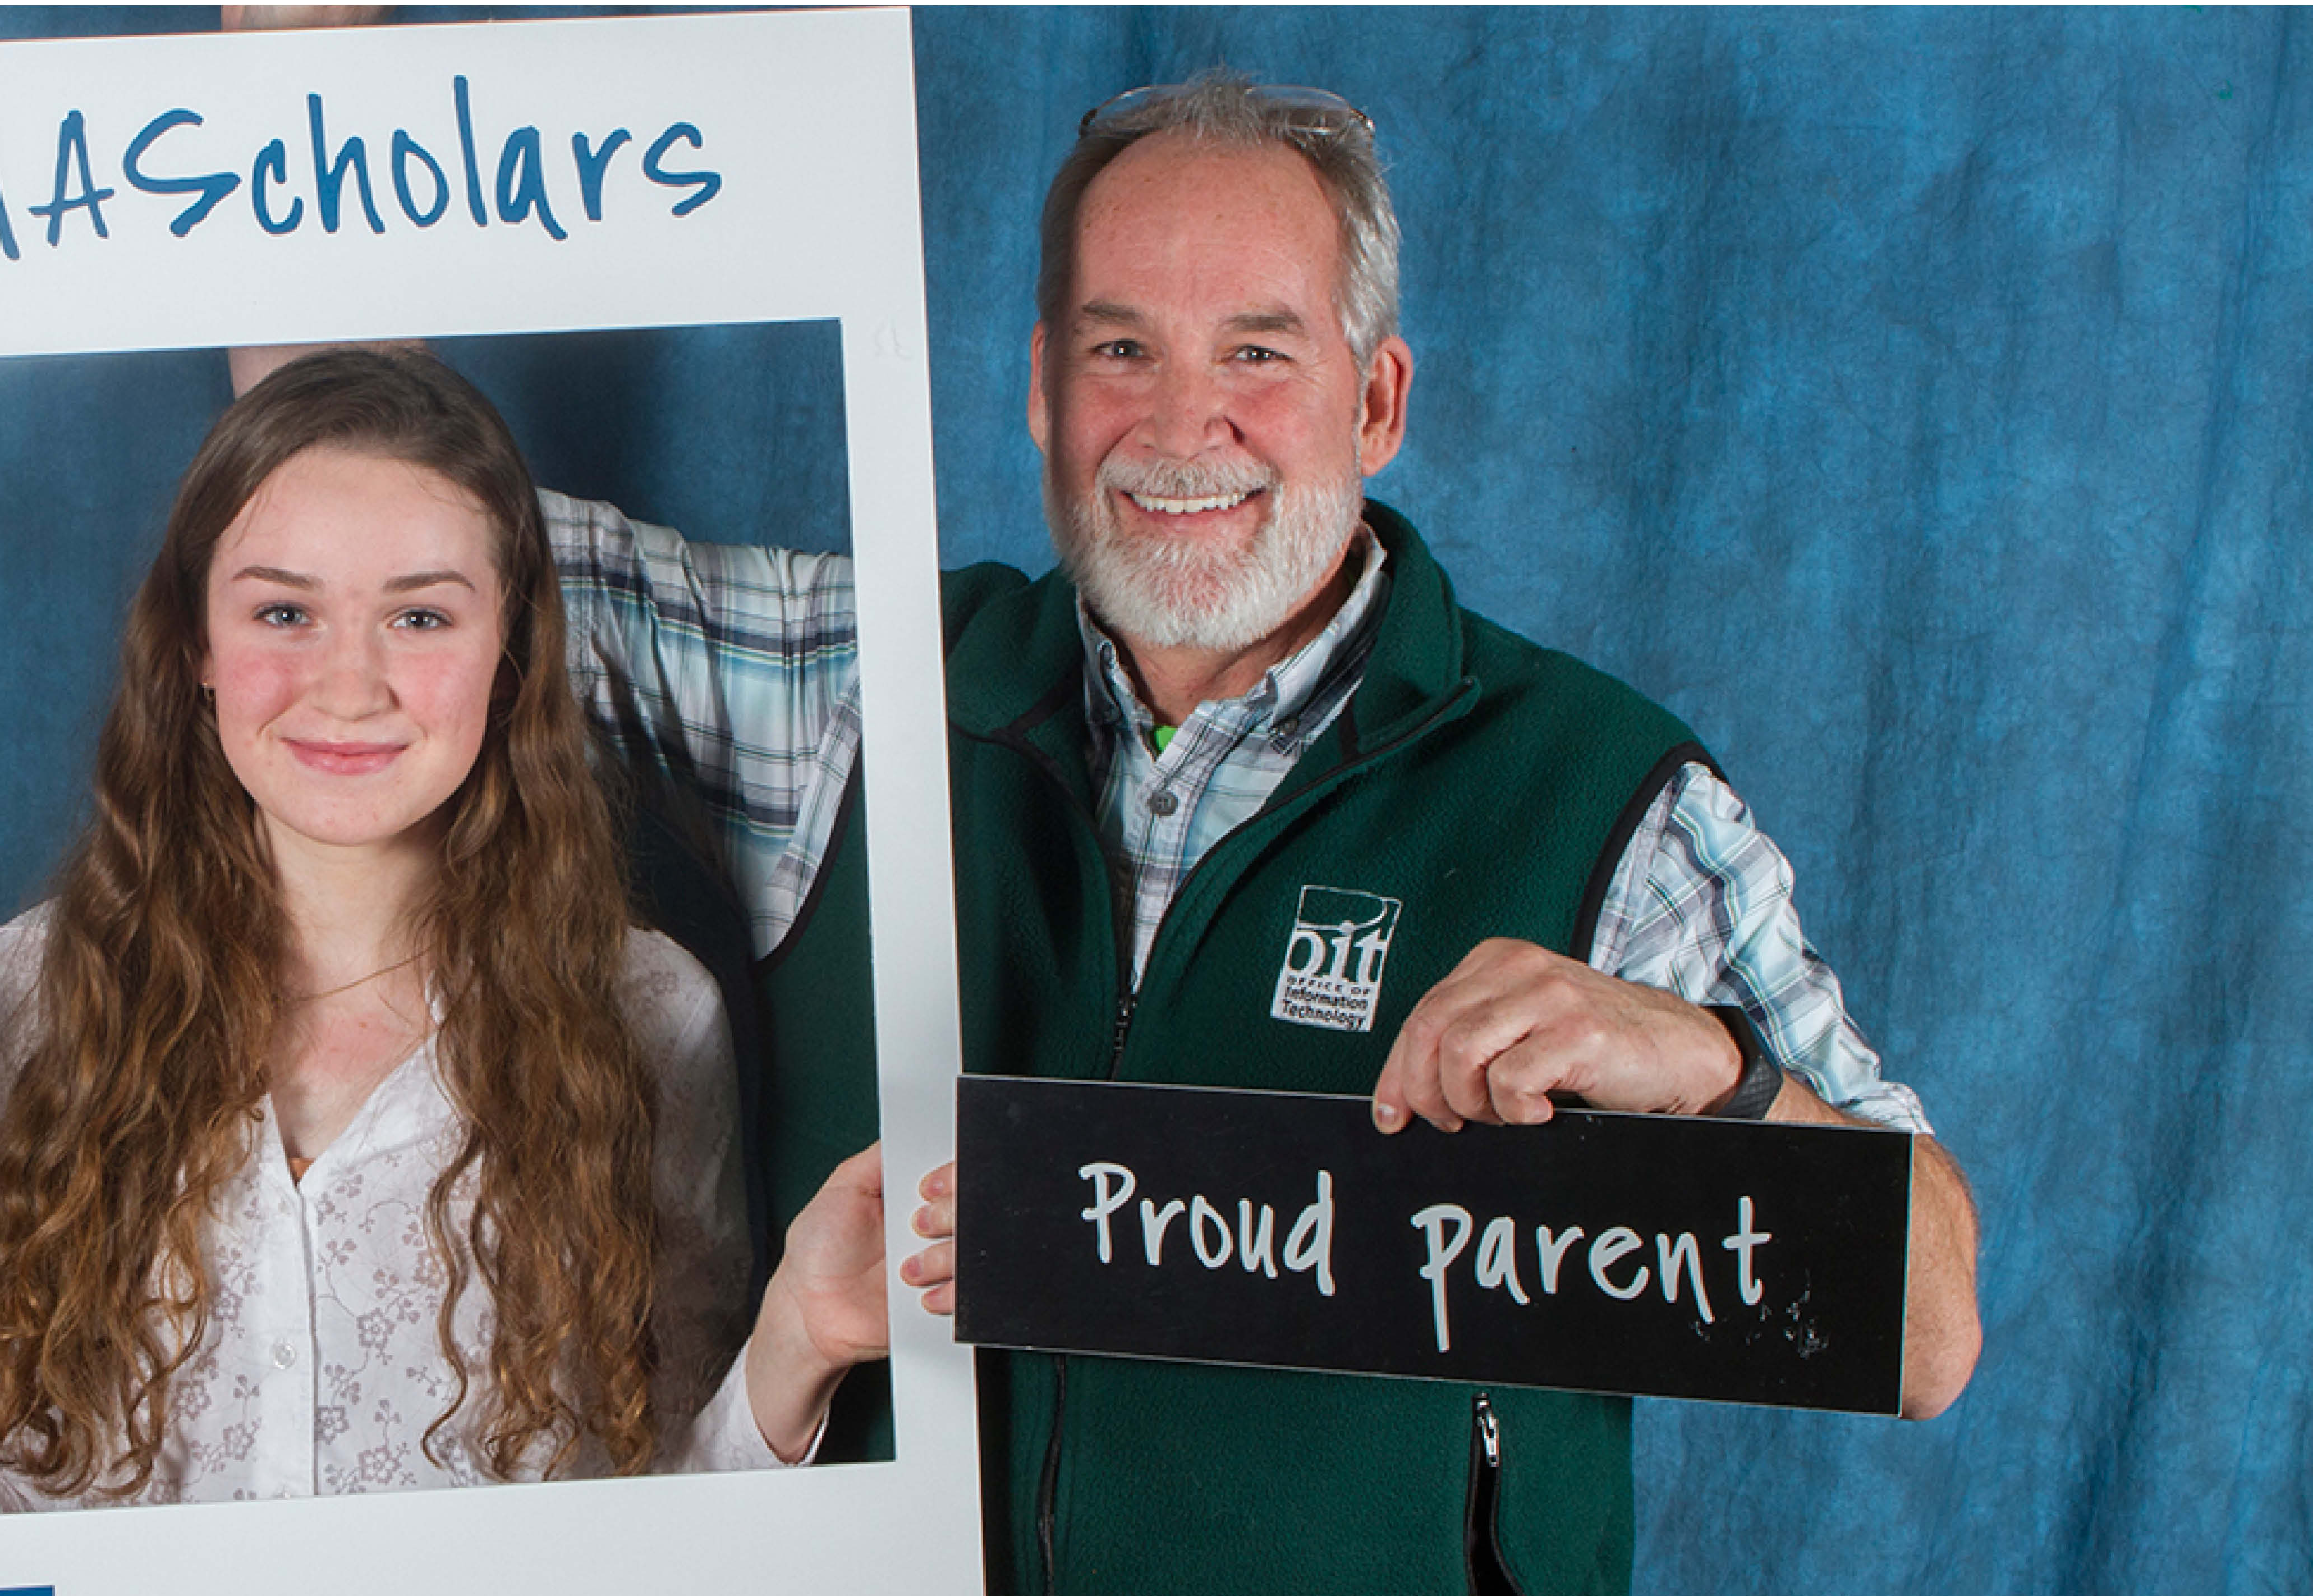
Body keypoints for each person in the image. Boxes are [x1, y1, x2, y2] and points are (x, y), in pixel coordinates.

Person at [535, 75, 1985, 1594]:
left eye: (1255, 351)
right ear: (1039, 384)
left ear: (1375, 401)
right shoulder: (857, 695)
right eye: (1121, 349)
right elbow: (398, 556)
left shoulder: (1599, 792)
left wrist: (1705, 1061)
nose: (1179, 426)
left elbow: (1927, 1331)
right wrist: (314, 104)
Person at [0, 347, 906, 1525]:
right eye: (284, 613)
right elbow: (2, 1490)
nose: (349, 685)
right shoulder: (30, 997)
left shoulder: (643, 1013)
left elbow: (662, 1525)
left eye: (421, 616)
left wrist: (796, 1342)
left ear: (512, 654)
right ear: (195, 646)